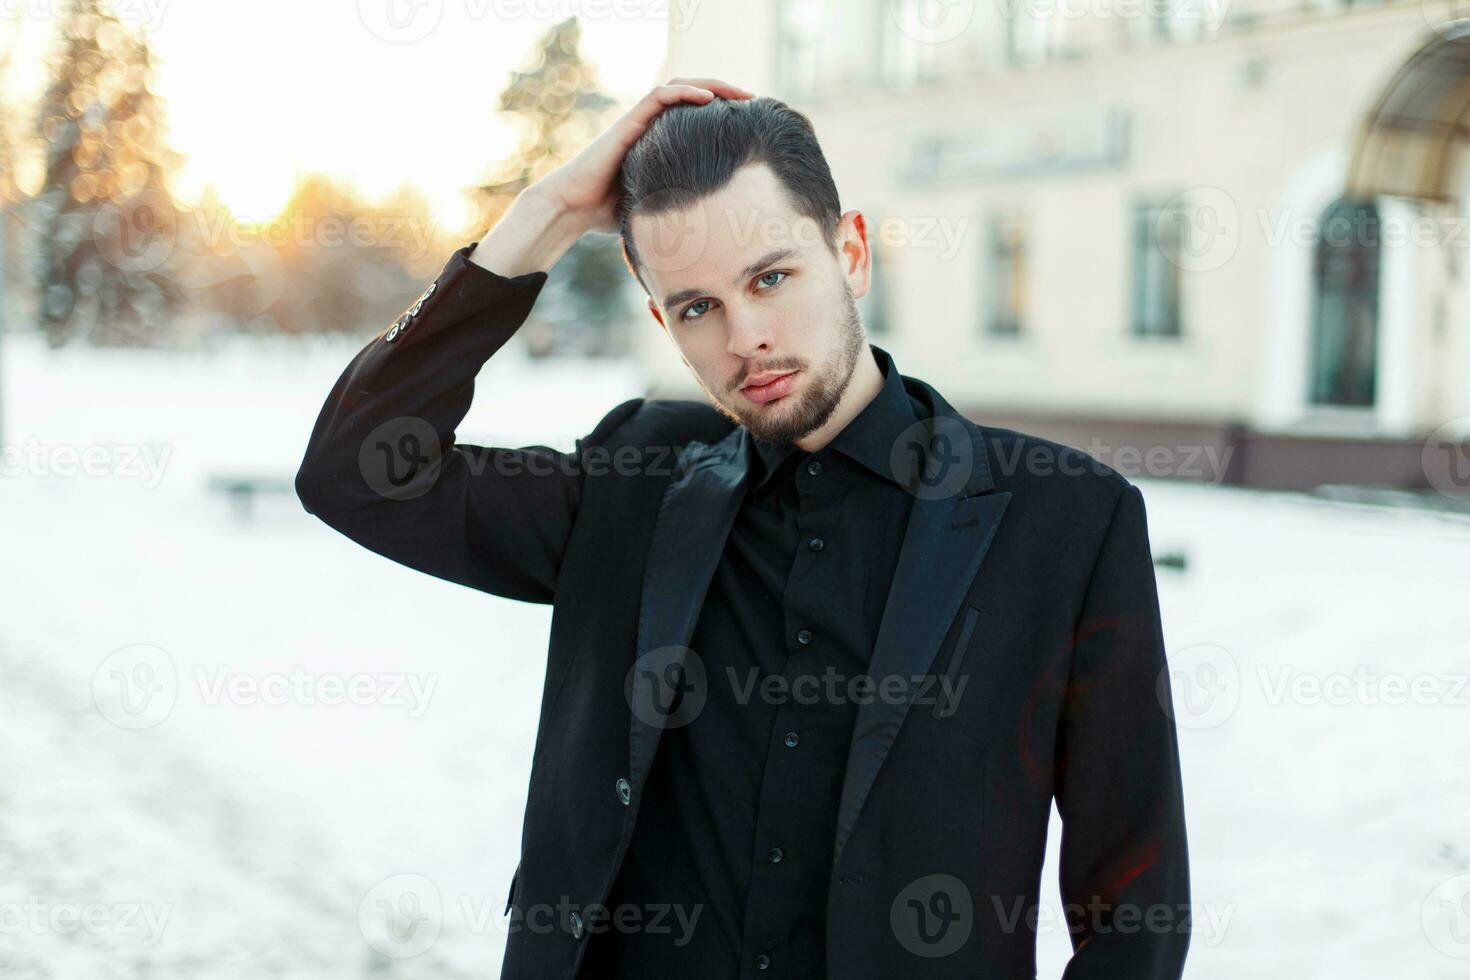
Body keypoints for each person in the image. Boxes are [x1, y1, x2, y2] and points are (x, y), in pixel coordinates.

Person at [295, 78, 1190, 980]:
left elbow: (1138, 913)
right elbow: (354, 471)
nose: (746, 337)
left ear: (851, 251)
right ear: (663, 321)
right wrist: (546, 214)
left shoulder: (1064, 521)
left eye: (771, 277)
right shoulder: (632, 482)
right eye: (697, 307)